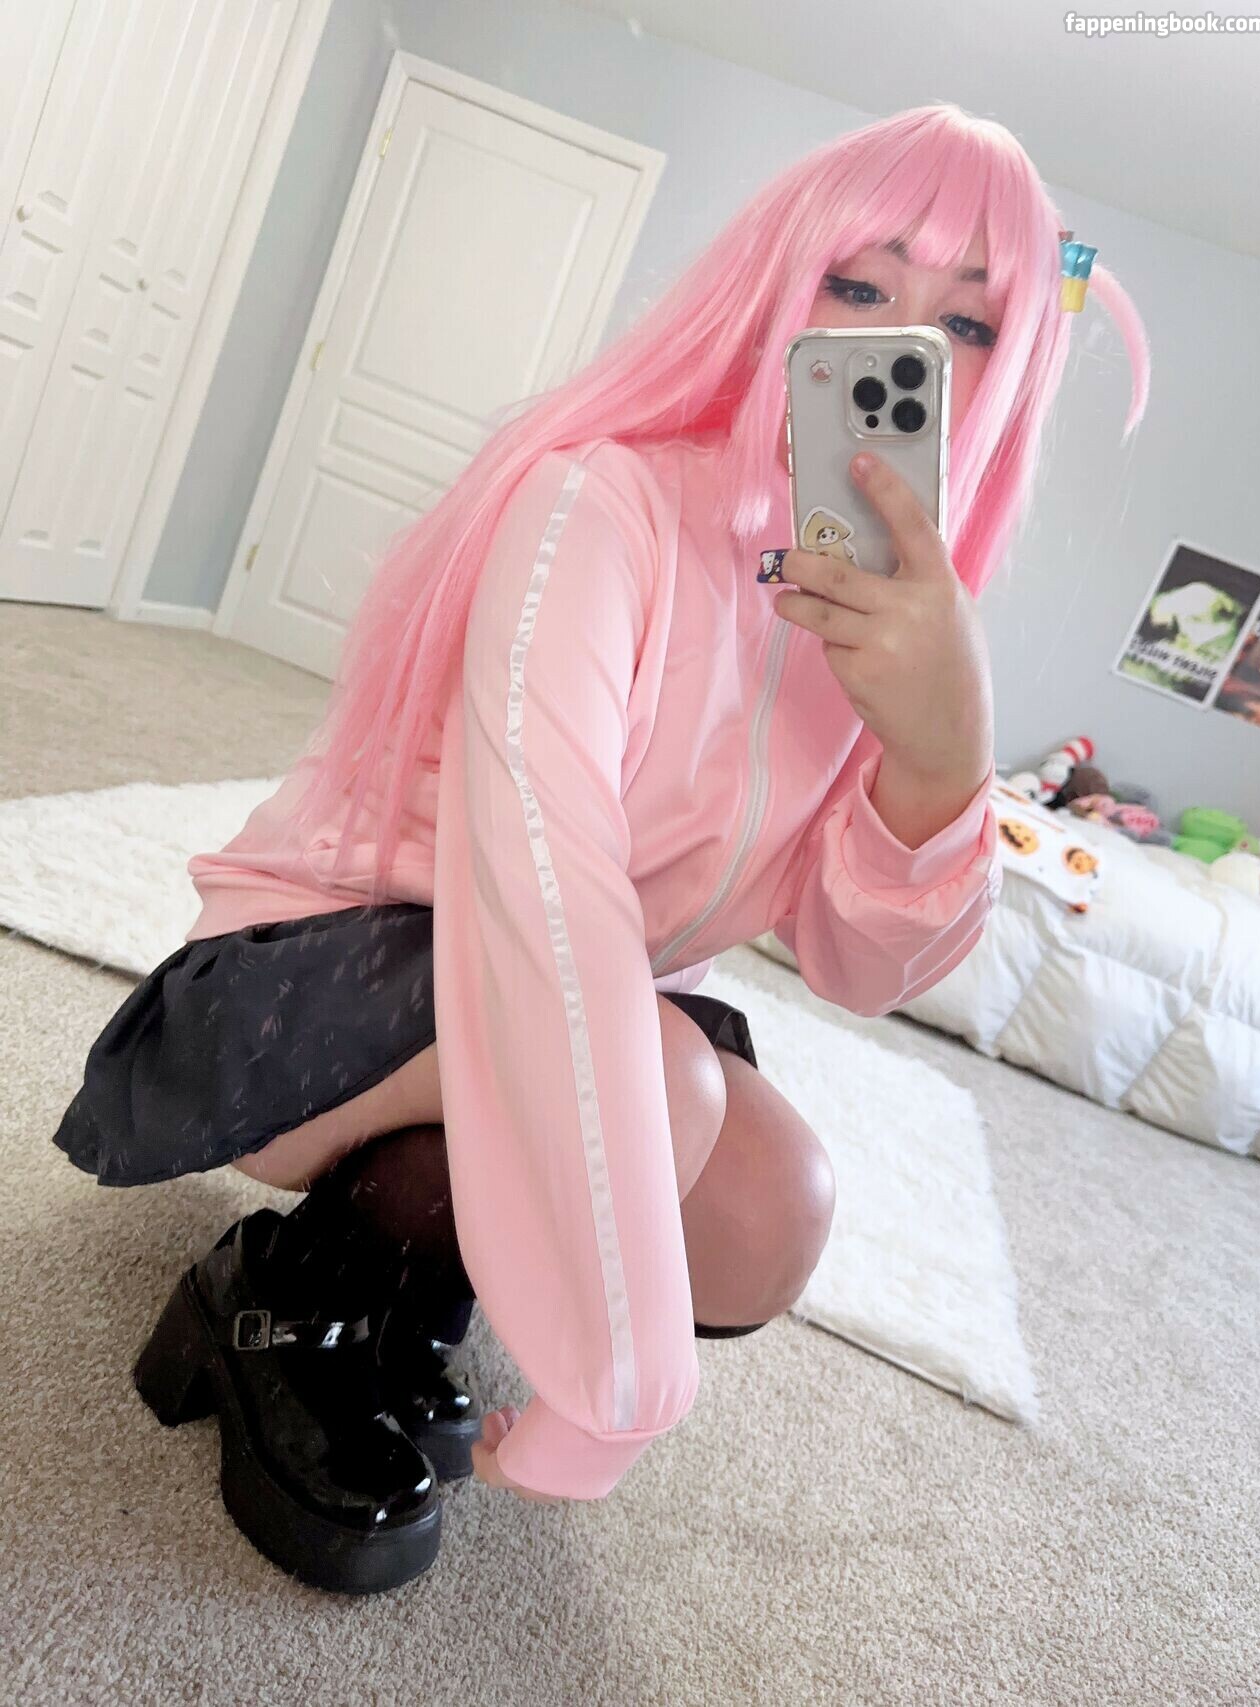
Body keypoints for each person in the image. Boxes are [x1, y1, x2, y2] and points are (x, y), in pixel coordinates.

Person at [51, 102, 1148, 1593]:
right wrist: (617, 1374)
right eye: (858, 285)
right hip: (290, 999)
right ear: (777, 287)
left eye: (967, 322)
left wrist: (941, 756)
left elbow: (856, 965)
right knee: (668, 1078)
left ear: (1006, 375)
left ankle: (435, 1261)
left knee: (772, 1212)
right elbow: (539, 897)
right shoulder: (599, 502)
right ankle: (298, 1294)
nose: (898, 349)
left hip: (562, 998)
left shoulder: (894, 620)